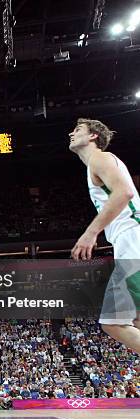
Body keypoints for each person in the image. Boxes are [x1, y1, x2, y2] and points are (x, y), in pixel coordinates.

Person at [69, 118, 140, 353]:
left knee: (113, 322)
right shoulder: (96, 165)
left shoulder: (99, 158)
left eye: (78, 130)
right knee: (136, 320)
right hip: (129, 239)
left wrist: (91, 233)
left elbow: (125, 192)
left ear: (93, 137)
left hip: (133, 238)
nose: (71, 133)